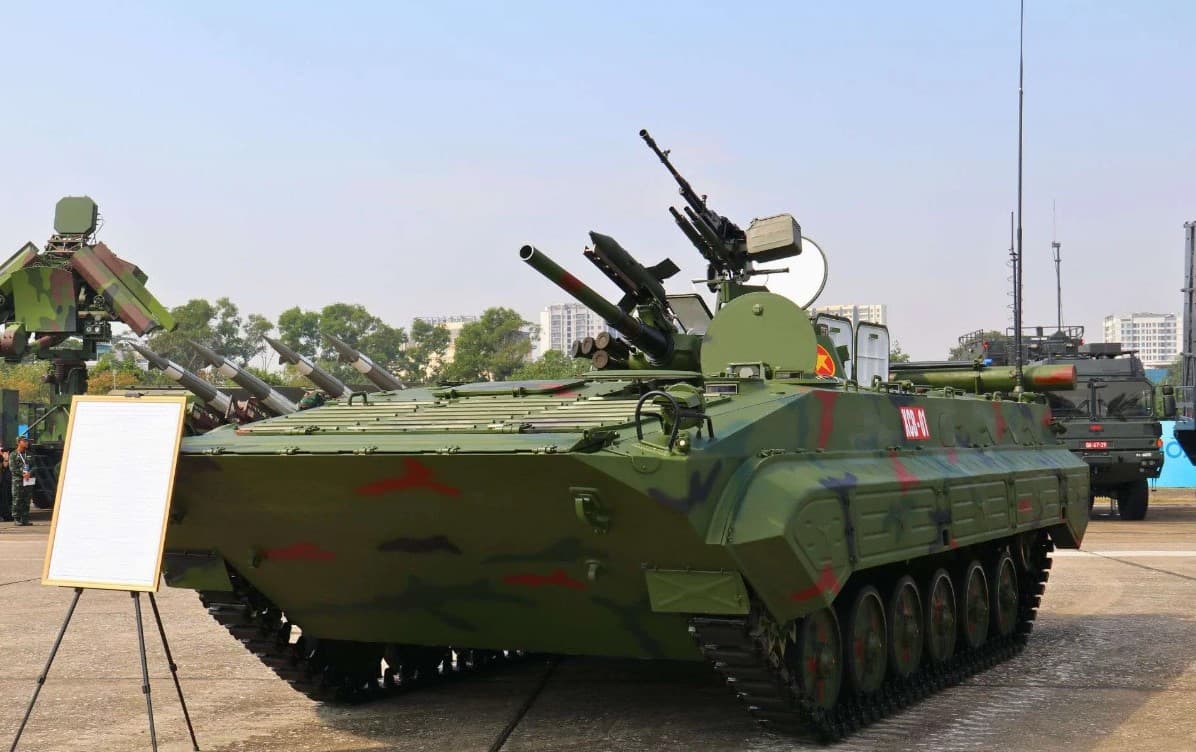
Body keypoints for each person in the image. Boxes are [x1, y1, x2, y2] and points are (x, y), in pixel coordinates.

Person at [10, 435, 33, 526]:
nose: (27, 443)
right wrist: (22, 474)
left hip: (28, 480)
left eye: (27, 441)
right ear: (18, 443)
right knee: (17, 499)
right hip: (18, 481)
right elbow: (12, 468)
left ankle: (25, 519)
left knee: (26, 500)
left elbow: (35, 466)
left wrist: (30, 473)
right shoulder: (13, 454)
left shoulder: (29, 454)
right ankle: (16, 518)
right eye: (24, 441)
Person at [0, 445, 11, 522]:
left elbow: (5, 465)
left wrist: (6, 458)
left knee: (4, 499)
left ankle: (5, 515)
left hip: (2, 481)